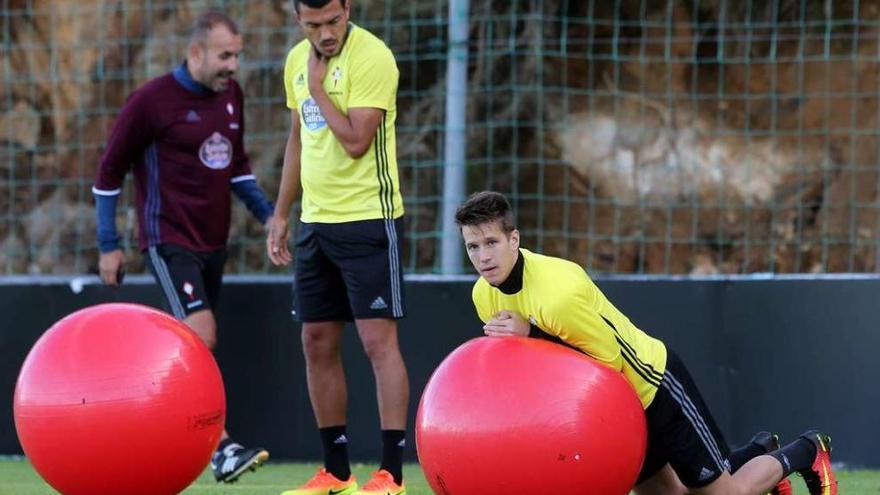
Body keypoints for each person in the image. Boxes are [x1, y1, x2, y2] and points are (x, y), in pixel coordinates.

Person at [454, 191, 837, 495]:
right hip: (615, 410)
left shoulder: (557, 294)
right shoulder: (482, 296)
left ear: (514, 239)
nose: (484, 257)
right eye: (473, 247)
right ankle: (758, 452)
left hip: (652, 387)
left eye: (492, 242)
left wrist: (533, 333)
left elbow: (607, 360)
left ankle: (807, 450)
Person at [92, 11, 271, 484]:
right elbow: (108, 173)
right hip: (167, 239)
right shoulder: (151, 102)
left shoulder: (231, 96)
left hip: (213, 241)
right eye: (224, 56)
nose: (233, 66)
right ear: (196, 53)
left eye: (238, 55)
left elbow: (239, 166)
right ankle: (220, 447)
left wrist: (269, 216)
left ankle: (162, 430)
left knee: (191, 344)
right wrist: (108, 244)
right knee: (201, 334)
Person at [265, 0, 409, 494]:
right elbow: (298, 140)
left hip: (369, 220)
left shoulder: (373, 57)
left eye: (334, 21)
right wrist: (282, 213)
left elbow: (354, 141)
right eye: (313, 25)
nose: (326, 33)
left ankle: (392, 473)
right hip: (316, 225)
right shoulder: (294, 62)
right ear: (296, 19)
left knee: (376, 343)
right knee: (316, 341)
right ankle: (337, 472)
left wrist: (321, 88)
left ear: (348, 9)